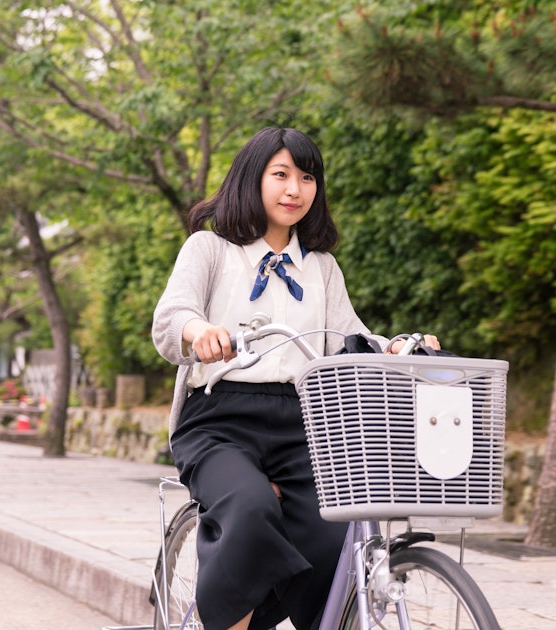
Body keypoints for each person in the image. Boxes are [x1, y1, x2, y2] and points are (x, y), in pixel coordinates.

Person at [152, 127, 439, 630]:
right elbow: (172, 316)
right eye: (280, 175)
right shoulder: (210, 249)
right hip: (220, 418)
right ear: (251, 179)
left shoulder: (321, 268)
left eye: (307, 177)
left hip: (301, 424)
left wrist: (396, 347)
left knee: (335, 534)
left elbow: (351, 339)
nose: (295, 189)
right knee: (249, 507)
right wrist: (201, 333)